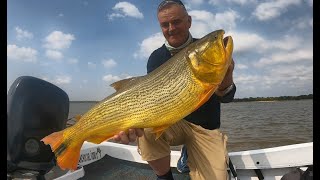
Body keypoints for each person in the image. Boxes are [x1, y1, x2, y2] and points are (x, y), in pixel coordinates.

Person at [113, 0, 236, 179]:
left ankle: (189, 153)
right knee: (146, 126)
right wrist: (126, 122)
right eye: (165, 24)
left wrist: (225, 78)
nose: (171, 28)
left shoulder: (204, 49)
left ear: (189, 21)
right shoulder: (155, 58)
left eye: (176, 22)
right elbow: (149, 101)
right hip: (174, 124)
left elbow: (226, 98)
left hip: (205, 128)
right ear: (161, 27)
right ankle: (164, 177)